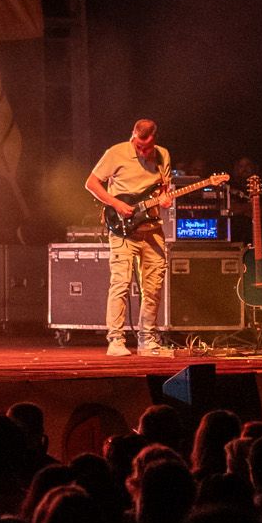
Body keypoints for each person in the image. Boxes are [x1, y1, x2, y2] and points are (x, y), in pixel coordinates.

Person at [85, 118, 173, 357]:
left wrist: (166, 199)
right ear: (133, 136)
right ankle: (116, 339)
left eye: (147, 148)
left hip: (152, 229)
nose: (143, 152)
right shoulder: (116, 153)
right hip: (123, 230)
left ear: (155, 140)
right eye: (139, 147)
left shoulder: (163, 155)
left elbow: (164, 189)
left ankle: (147, 339)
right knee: (121, 284)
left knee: (153, 287)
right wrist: (116, 203)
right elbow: (91, 183)